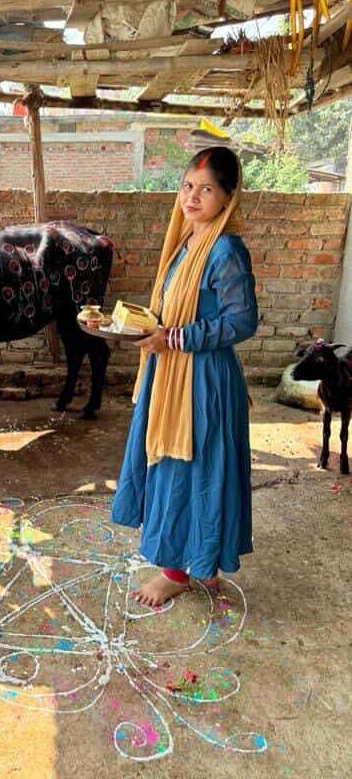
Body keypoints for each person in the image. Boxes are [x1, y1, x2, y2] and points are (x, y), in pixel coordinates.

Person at [112, 146, 258, 607]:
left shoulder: (225, 248)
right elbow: (171, 308)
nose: (192, 197)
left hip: (203, 382)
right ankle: (199, 560)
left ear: (227, 197)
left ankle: (177, 572)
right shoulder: (188, 242)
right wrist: (136, 325)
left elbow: (242, 321)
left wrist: (173, 338)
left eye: (206, 189)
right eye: (187, 186)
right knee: (187, 467)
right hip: (175, 371)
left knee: (191, 469)